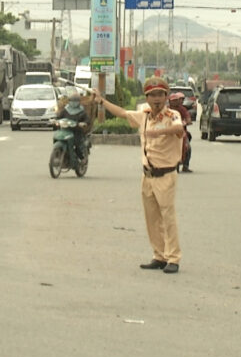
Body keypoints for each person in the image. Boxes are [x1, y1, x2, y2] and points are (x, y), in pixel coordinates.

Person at [93, 77, 185, 274]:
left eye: (160, 94)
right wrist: (101, 100)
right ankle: (159, 255)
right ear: (147, 98)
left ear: (166, 96)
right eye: (152, 95)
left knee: (168, 217)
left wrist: (160, 132)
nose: (156, 99)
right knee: (152, 218)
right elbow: (123, 113)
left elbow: (179, 129)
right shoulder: (144, 116)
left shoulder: (172, 115)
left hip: (166, 175)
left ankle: (173, 257)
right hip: (148, 176)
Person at [168, 92, 193, 173]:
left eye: (176, 100)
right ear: (169, 101)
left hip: (181, 132)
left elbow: (187, 117)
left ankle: (185, 166)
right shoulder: (166, 110)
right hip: (169, 132)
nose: (175, 102)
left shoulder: (182, 109)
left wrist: (187, 122)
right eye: (173, 100)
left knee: (188, 147)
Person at [60, 91, 89, 158]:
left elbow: (87, 119)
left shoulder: (82, 111)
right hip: (66, 131)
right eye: (72, 101)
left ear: (79, 102)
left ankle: (82, 159)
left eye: (75, 101)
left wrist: (84, 123)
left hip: (77, 132)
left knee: (78, 146)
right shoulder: (65, 110)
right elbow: (59, 116)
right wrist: (55, 120)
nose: (73, 103)